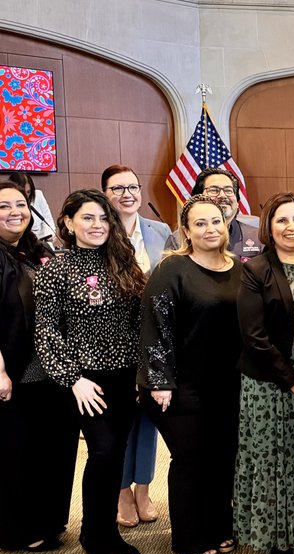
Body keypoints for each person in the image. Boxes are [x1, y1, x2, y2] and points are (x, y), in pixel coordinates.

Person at [0, 180, 78, 553]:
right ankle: (17, 532)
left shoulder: (28, 251)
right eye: (4, 206)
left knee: (53, 446)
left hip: (40, 373)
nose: (15, 212)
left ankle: (48, 522)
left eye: (21, 204)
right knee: (13, 450)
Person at [34, 189, 146, 554]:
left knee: (117, 453)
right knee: (101, 451)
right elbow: (46, 333)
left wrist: (141, 374)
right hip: (84, 380)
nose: (97, 225)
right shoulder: (55, 269)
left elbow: (136, 322)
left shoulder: (122, 260)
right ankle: (91, 534)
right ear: (68, 223)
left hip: (124, 374)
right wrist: (72, 379)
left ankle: (108, 532)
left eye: (102, 218)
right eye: (87, 218)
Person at [140, 194, 244, 554]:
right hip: (182, 385)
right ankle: (188, 536)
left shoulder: (240, 268)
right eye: (199, 223)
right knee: (191, 458)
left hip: (229, 384)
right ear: (186, 230)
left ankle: (219, 525)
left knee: (222, 457)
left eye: (215, 221)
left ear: (226, 223)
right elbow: (155, 327)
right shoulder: (173, 270)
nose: (209, 229)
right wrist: (159, 381)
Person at [233, 192, 294, 554]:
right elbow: (253, 336)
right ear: (268, 229)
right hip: (270, 379)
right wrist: (291, 380)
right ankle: (279, 536)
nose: (292, 227)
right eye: (282, 221)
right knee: (276, 456)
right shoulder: (256, 269)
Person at [102, 164, 173, 528]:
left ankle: (143, 488)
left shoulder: (160, 230)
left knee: (148, 418)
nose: (127, 193)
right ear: (105, 194)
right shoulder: (99, 232)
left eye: (133, 186)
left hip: (154, 337)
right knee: (118, 420)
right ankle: (121, 491)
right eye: (118, 188)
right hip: (114, 341)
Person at [164, 168, 263, 261]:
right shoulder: (178, 240)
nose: (222, 196)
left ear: (237, 202)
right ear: (198, 199)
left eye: (228, 190)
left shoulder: (258, 237)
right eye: (214, 190)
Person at [7, 172, 57, 246]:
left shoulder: (38, 195)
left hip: (41, 242)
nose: (26, 195)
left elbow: (47, 219)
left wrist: (50, 235)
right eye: (22, 191)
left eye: (28, 192)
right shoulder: (7, 202)